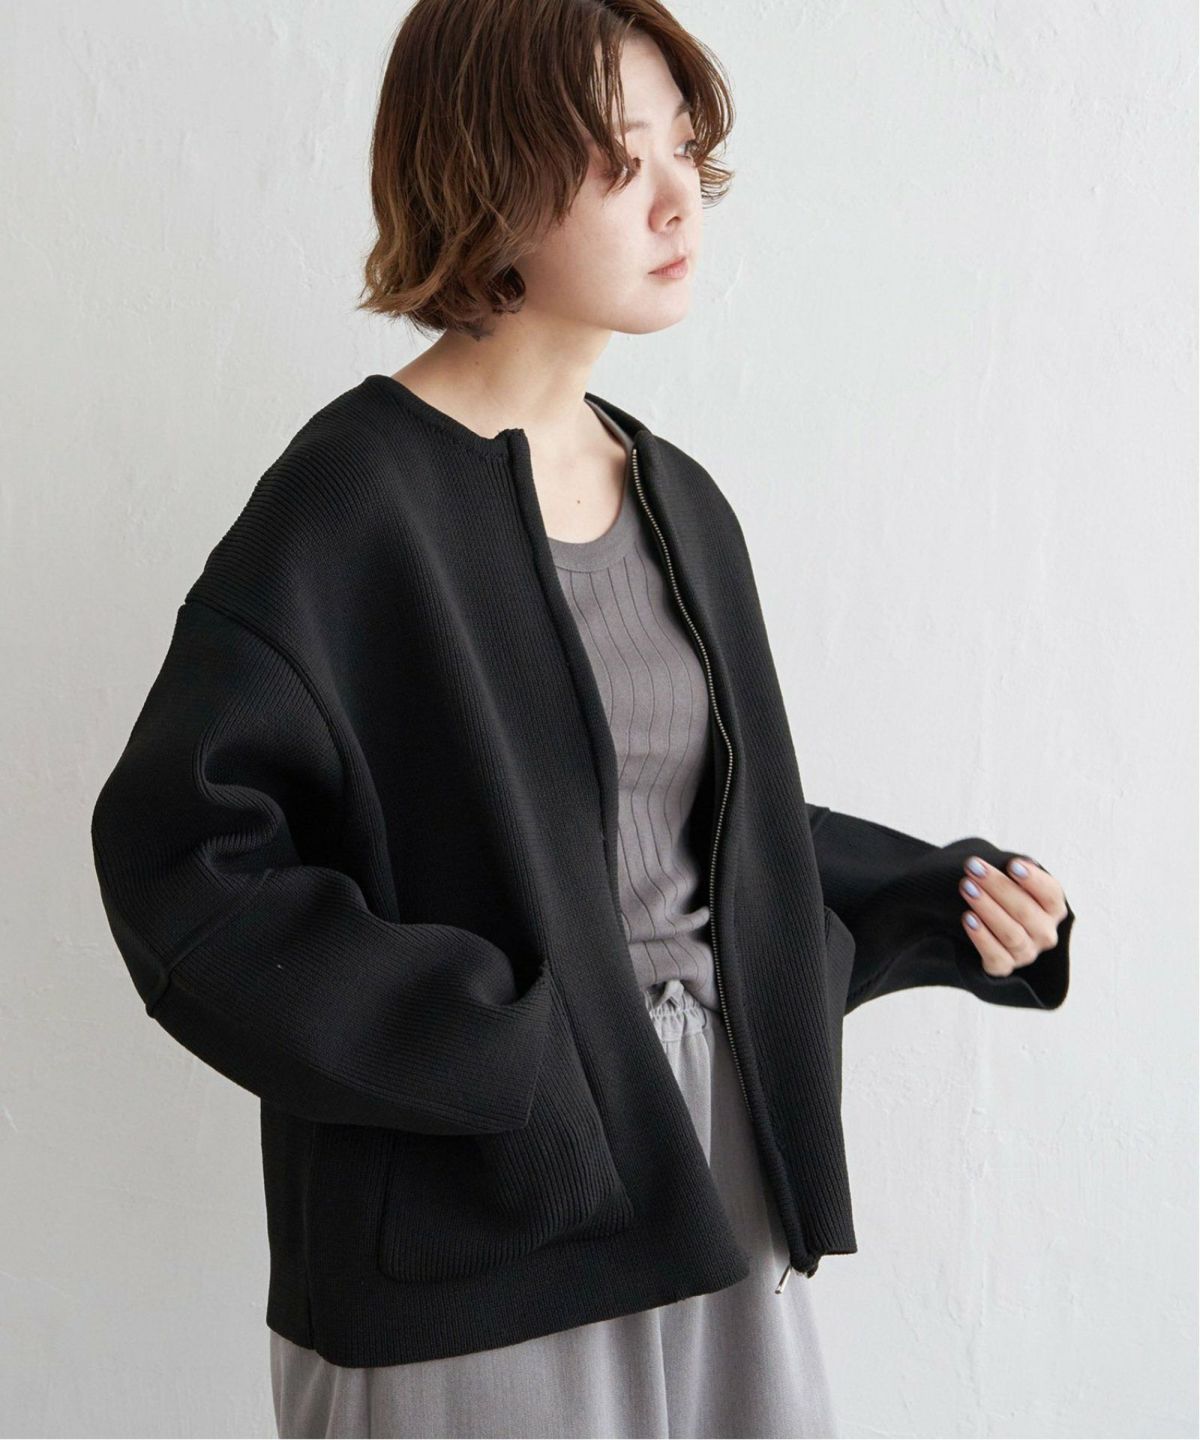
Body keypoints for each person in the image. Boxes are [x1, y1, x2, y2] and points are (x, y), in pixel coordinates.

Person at [90, 2, 1075, 1437]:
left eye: (685, 147)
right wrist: (492, 1049)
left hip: (716, 1182)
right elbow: (184, 861)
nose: (679, 198)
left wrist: (942, 898)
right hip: (478, 1215)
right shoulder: (354, 500)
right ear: (487, 174)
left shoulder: (680, 500)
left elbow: (692, 841)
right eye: (620, 159)